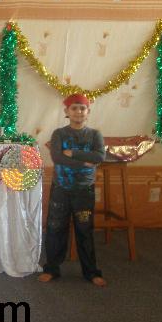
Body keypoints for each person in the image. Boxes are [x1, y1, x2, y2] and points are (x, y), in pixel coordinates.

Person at [38, 93, 107, 287]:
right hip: (61, 189)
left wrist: (73, 153)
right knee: (55, 229)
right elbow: (57, 157)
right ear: (67, 111)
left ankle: (91, 272)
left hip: (84, 191)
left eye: (82, 108)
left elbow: (99, 157)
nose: (78, 112)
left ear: (88, 111)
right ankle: (52, 269)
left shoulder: (95, 135)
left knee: (85, 230)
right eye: (74, 108)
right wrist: (84, 162)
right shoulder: (59, 133)